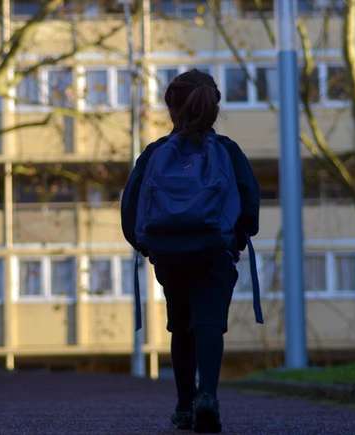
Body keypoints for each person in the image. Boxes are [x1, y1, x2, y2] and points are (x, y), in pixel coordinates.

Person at [121, 69, 260, 433]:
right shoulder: (228, 151)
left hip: (169, 253)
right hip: (214, 250)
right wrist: (237, 239)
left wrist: (149, 246)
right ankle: (207, 397)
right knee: (210, 323)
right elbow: (249, 205)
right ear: (213, 107)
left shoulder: (154, 154)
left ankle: (184, 406)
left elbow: (131, 209)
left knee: (180, 326)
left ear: (172, 108)